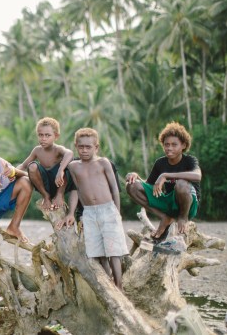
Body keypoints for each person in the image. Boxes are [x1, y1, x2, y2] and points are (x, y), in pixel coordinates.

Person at [56, 128, 128, 289]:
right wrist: (71, 213)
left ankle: (119, 285)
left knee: (113, 251)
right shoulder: (74, 166)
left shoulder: (103, 163)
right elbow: (76, 190)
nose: (84, 150)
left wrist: (117, 212)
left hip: (108, 209)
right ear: (76, 146)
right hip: (89, 213)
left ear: (96, 147)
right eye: (81, 147)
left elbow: (115, 189)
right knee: (99, 252)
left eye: (88, 147)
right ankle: (108, 284)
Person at [125, 122, 201, 239]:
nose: (169, 148)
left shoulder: (189, 160)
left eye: (174, 145)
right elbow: (149, 185)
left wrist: (165, 175)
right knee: (131, 186)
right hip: (169, 203)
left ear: (183, 145)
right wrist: (136, 177)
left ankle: (182, 217)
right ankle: (165, 217)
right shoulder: (160, 163)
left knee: (181, 183)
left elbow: (197, 176)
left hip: (188, 205)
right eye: (166, 144)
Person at [16, 117, 74, 211]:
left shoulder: (58, 149)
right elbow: (23, 165)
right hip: (46, 185)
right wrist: (12, 172)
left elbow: (70, 153)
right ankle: (46, 197)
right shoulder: (37, 150)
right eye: (40, 135)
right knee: (32, 166)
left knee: (69, 163)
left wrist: (60, 170)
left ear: (56, 136)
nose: (43, 139)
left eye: (47, 135)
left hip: (60, 182)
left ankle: (59, 195)